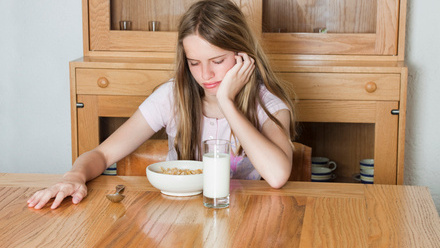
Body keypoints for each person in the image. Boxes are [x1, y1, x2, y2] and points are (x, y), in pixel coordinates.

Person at [27, 0, 296, 210]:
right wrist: (74, 176)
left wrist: (227, 102)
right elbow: (102, 155)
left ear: (242, 56)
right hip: (177, 215)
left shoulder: (268, 104)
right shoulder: (172, 96)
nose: (205, 75)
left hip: (245, 217)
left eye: (217, 61)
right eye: (194, 63)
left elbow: (276, 176)